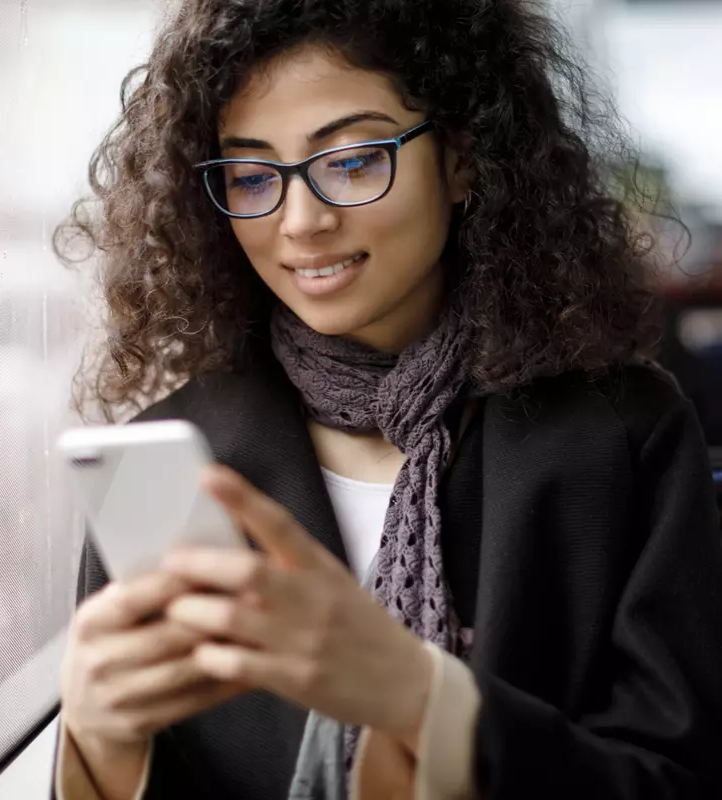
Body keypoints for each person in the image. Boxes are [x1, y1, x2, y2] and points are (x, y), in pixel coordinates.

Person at [51, 1, 722, 798]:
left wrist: (422, 700)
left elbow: (680, 779)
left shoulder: (622, 435)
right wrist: (99, 741)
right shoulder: (169, 454)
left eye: (355, 159)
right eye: (254, 175)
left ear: (464, 159)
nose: (301, 221)